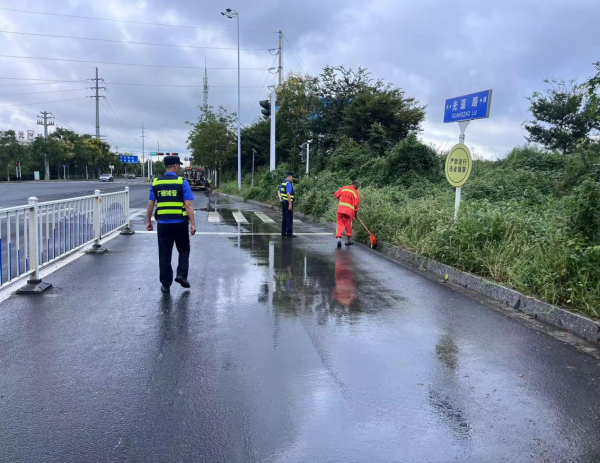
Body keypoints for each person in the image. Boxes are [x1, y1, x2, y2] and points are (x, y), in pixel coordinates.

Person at [146, 155, 197, 293]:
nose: (179, 167)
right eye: (178, 165)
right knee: (184, 250)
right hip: (180, 223)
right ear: (174, 166)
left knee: (164, 254)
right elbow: (188, 205)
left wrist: (148, 221)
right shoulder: (182, 182)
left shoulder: (155, 182)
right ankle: (181, 275)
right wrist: (193, 224)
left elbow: (150, 204)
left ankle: (166, 284)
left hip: (163, 224)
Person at [334, 181, 360, 248]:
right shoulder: (355, 192)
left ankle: (339, 240)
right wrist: (355, 213)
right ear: (355, 186)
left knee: (340, 224)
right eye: (357, 187)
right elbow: (356, 205)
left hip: (340, 209)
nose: (357, 189)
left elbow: (336, 194)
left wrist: (341, 200)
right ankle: (348, 241)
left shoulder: (344, 188)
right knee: (348, 225)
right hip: (348, 212)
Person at [277, 171, 297, 238]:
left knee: (284, 218)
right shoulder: (288, 183)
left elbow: (279, 191)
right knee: (289, 218)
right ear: (289, 176)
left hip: (283, 202)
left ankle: (283, 232)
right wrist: (290, 204)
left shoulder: (283, 182)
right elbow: (288, 194)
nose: (293, 178)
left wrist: (280, 199)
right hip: (287, 203)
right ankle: (289, 233)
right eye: (293, 177)